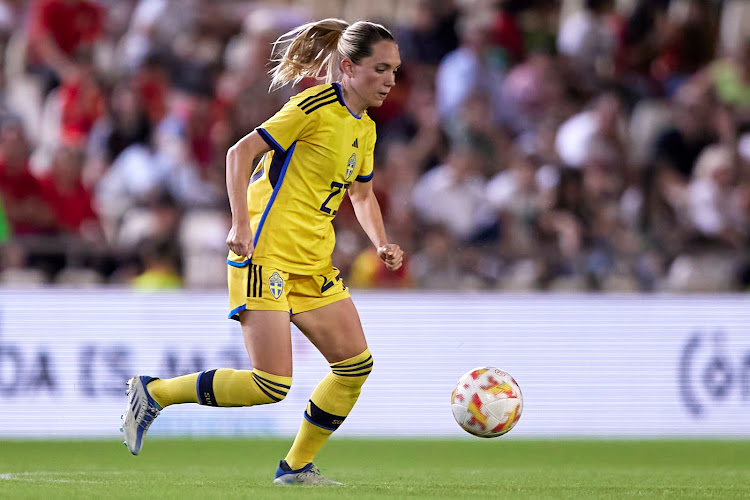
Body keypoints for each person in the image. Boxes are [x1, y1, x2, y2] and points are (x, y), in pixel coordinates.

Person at [121, 18, 404, 486]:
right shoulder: (313, 106)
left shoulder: (366, 129)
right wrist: (240, 223)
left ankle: (295, 468)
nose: (391, 80)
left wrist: (381, 243)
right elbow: (239, 153)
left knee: (354, 366)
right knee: (271, 384)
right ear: (349, 67)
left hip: (313, 262)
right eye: (381, 68)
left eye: (395, 70)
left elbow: (361, 195)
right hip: (266, 255)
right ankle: (156, 393)